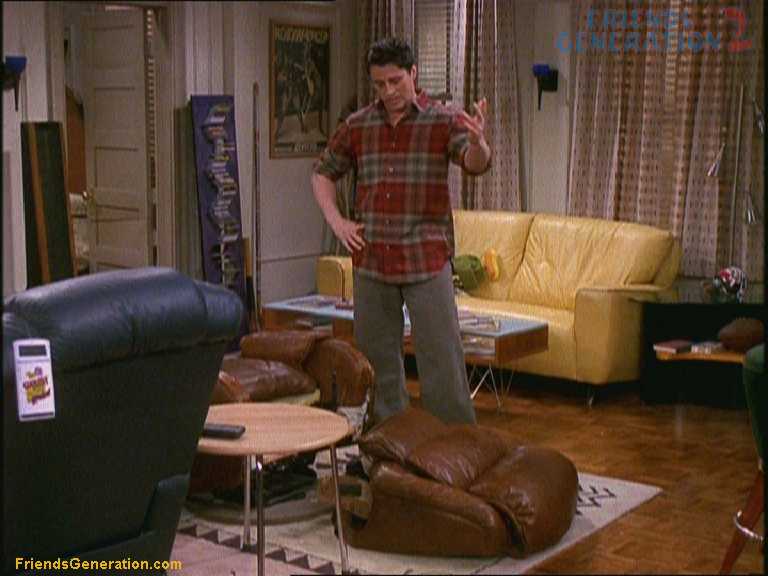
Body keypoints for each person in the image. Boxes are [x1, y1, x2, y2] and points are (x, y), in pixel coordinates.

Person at [311, 37, 491, 425]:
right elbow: (322, 173)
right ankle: (388, 444)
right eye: (380, 84)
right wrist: (337, 222)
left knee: (442, 360)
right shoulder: (358, 125)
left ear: (413, 73)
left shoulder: (442, 120)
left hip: (426, 258)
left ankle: (456, 446)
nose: (389, 91)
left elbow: (475, 163)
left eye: (396, 81)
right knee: (378, 365)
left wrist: (479, 143)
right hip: (373, 259)